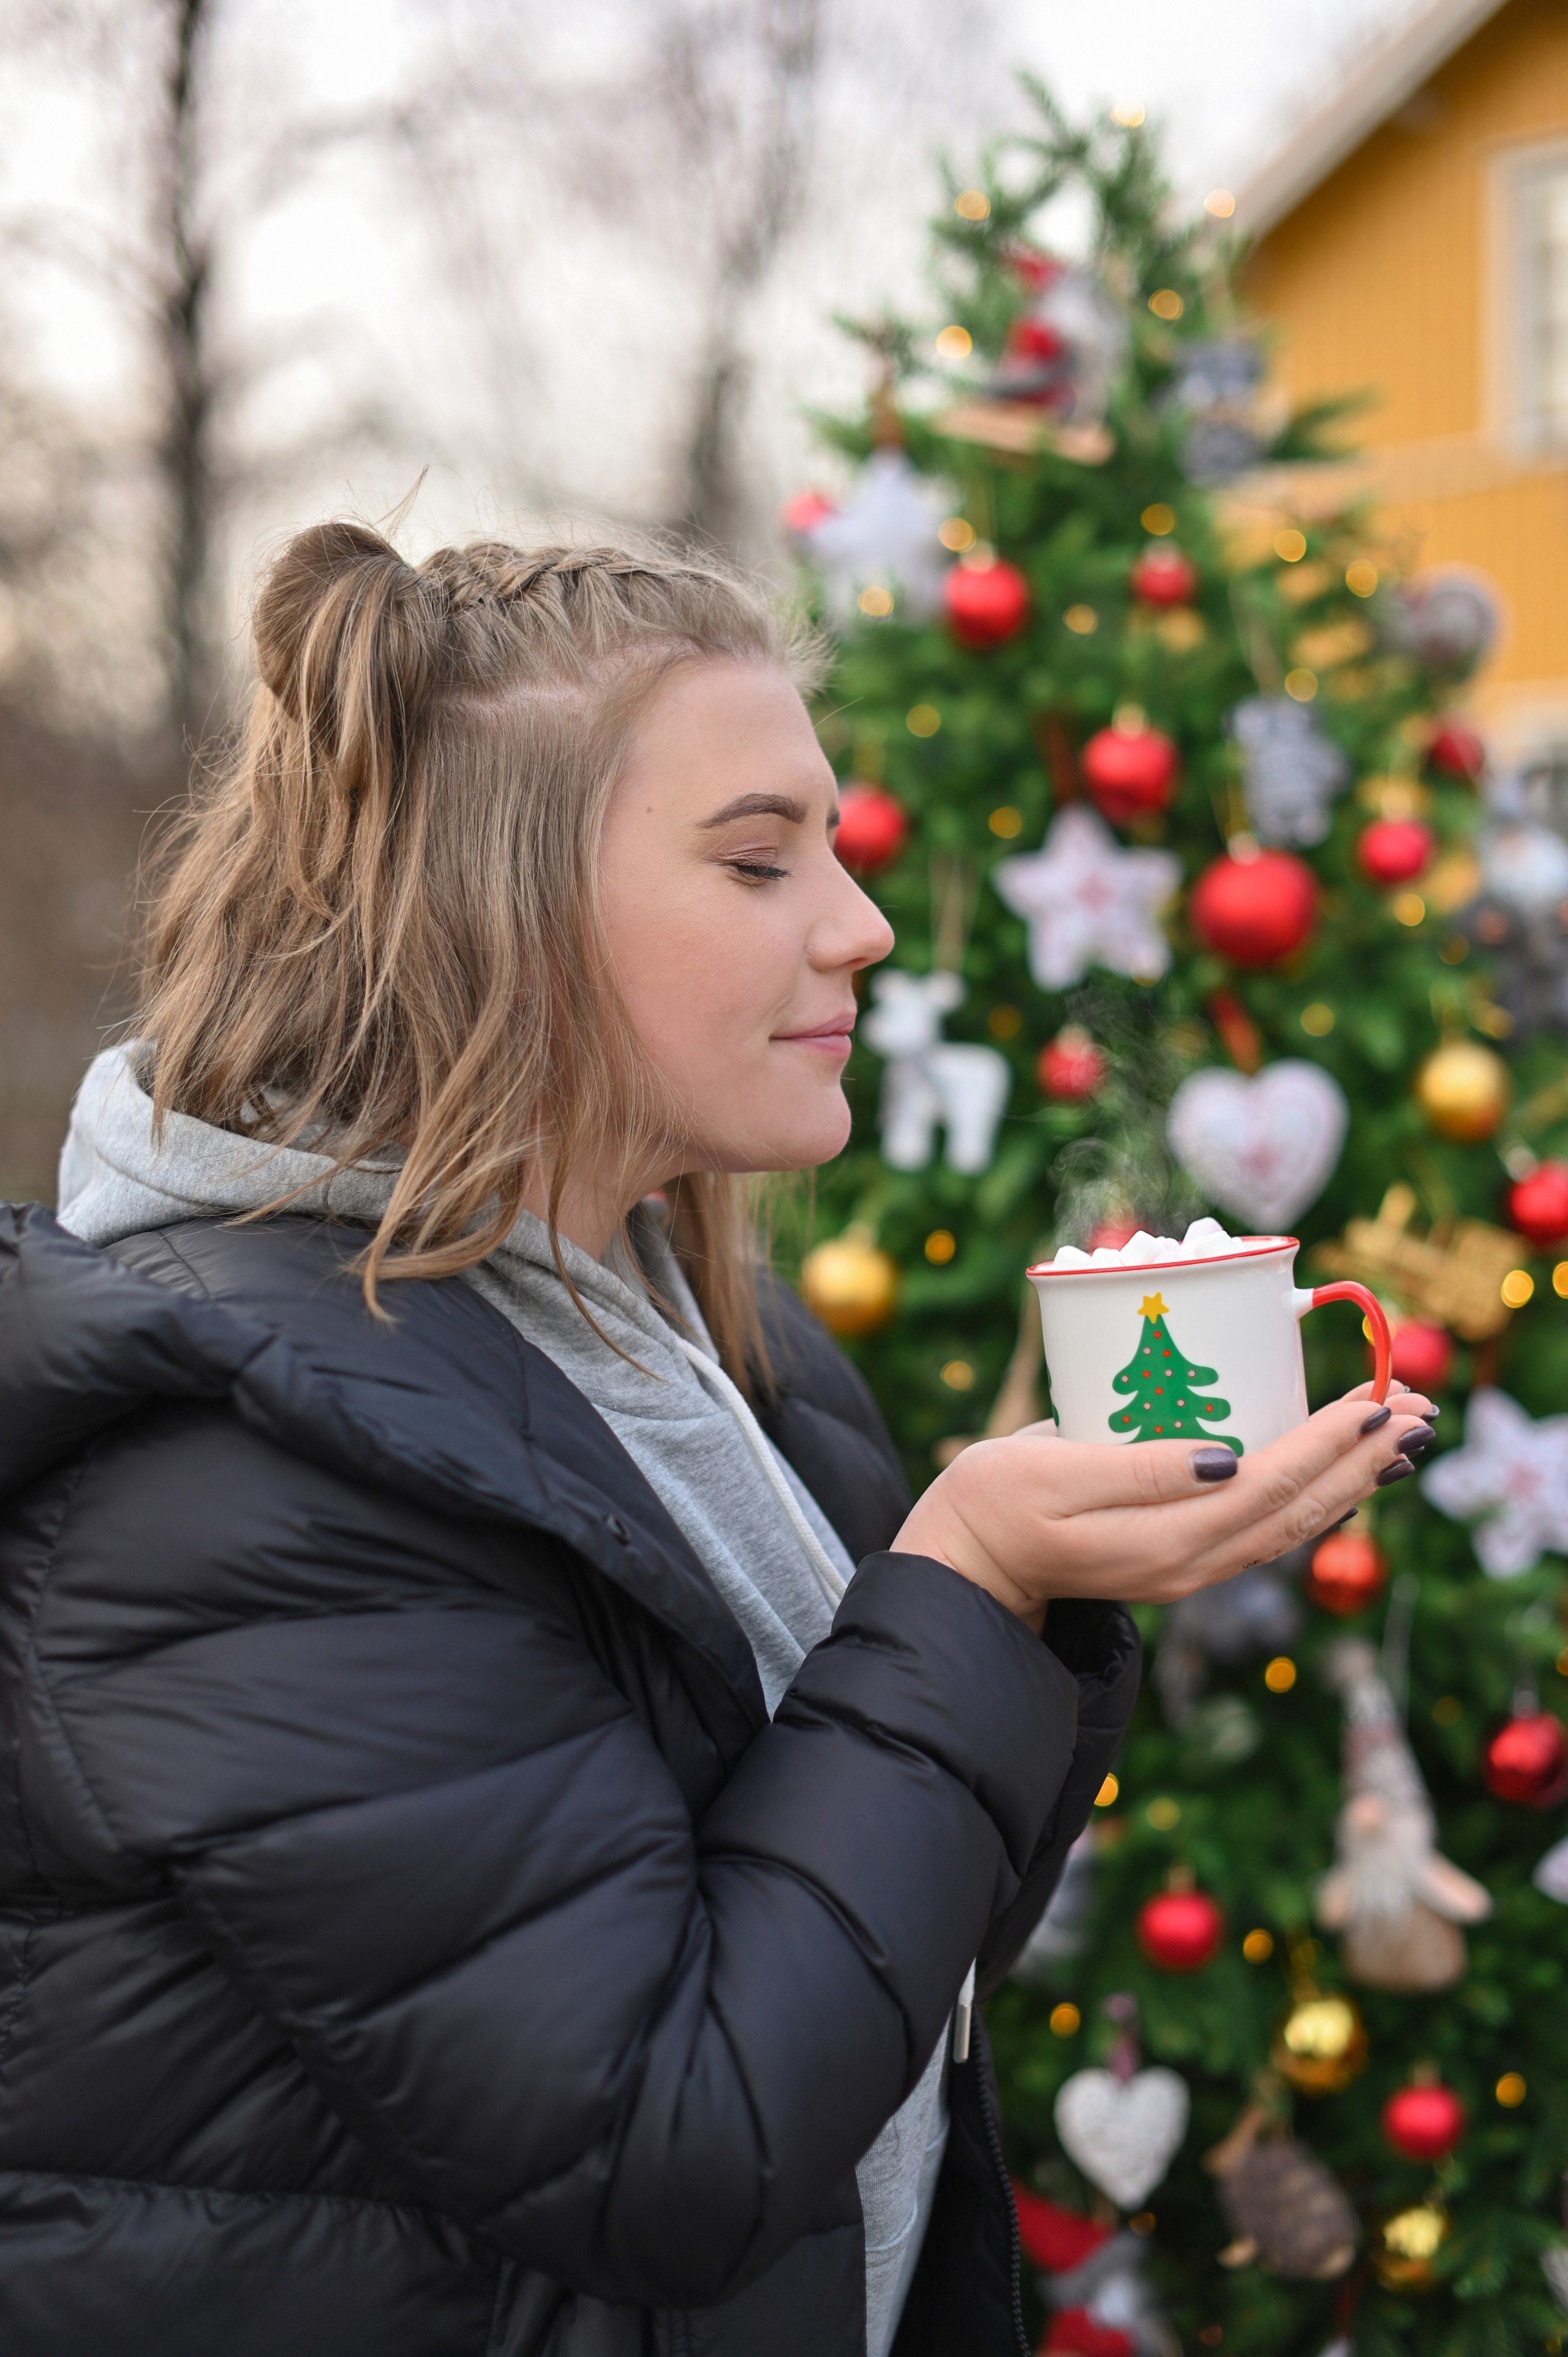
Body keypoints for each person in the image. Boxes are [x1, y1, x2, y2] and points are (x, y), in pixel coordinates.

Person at [0, 524, 1434, 2357]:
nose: (862, 923)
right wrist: (972, 1574)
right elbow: (670, 2146)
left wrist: (1041, 1602)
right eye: (761, 859)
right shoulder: (232, 1478)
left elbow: (880, 1983)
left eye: (830, 847)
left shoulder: (707, 1347)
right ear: (490, 912)